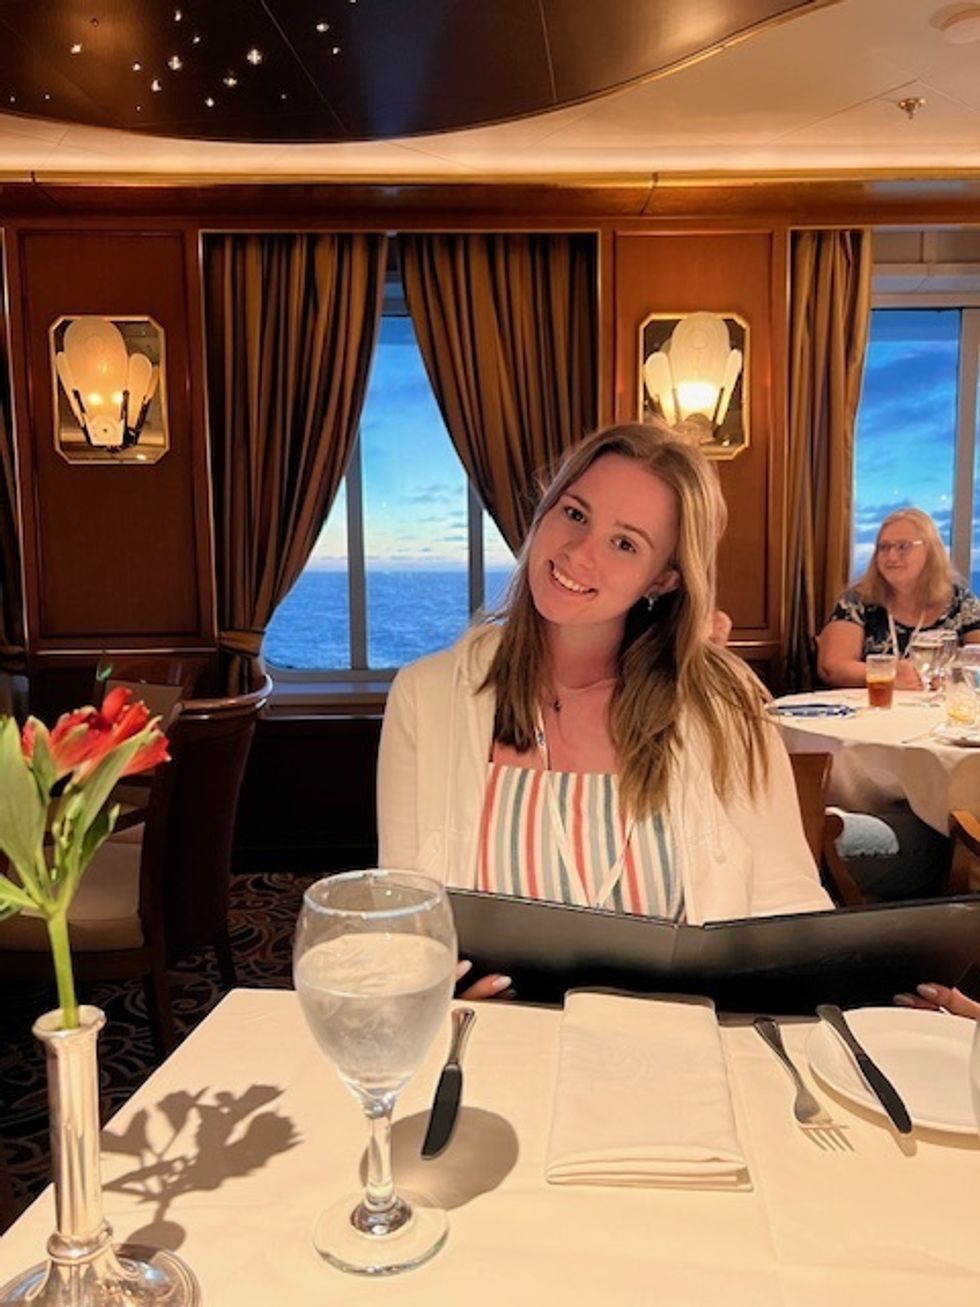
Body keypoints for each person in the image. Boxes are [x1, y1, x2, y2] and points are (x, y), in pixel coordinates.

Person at [378, 423, 831, 996]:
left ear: (663, 579)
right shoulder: (426, 697)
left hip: (678, 1050)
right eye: (574, 514)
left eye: (624, 543)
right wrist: (433, 1000)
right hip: (495, 1048)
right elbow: (404, 916)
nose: (578, 552)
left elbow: (785, 906)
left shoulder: (726, 707)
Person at [817, 507, 980, 688]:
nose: (891, 557)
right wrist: (888, 675)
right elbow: (831, 668)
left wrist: (952, 678)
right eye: (884, 547)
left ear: (931, 551)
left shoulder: (960, 601)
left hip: (939, 711)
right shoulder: (857, 600)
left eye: (903, 547)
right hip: (873, 709)